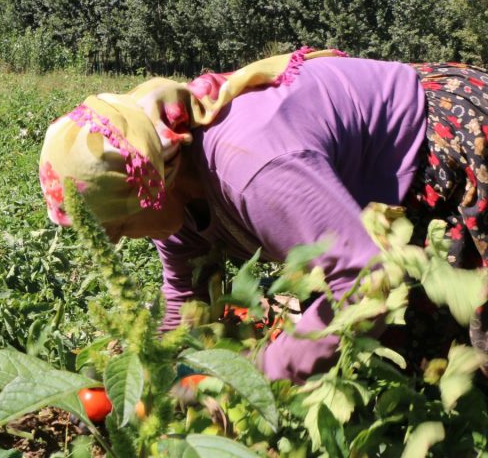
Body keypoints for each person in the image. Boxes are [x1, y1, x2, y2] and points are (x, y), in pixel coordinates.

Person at [38, 47, 488, 383]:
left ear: (153, 190)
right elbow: (186, 299)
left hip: (447, 143)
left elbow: (365, 281)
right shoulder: (168, 179)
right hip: (375, 205)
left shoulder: (252, 166)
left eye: (117, 227)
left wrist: (257, 376)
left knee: (466, 345)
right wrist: (158, 377)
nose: (116, 242)